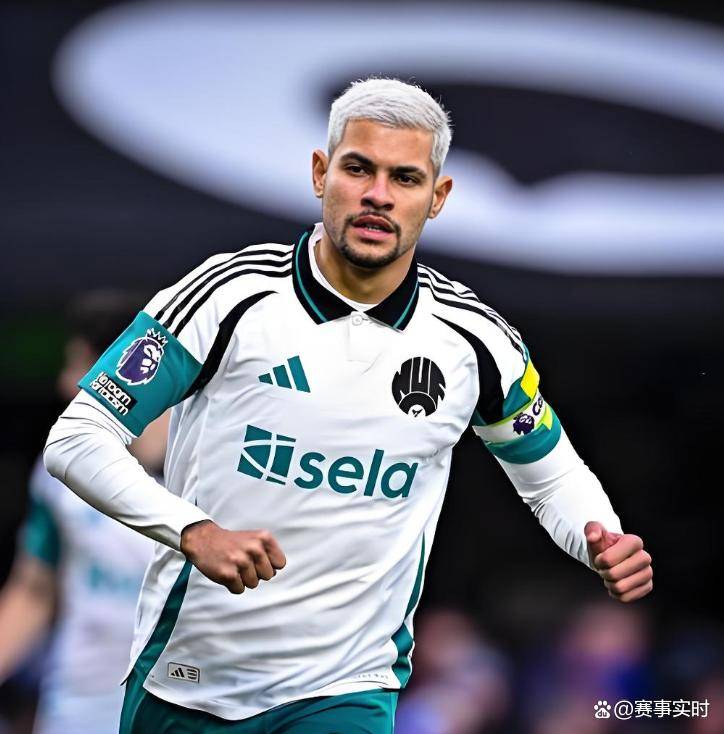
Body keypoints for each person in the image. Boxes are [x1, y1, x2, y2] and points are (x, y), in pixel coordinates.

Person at [43, 78, 653, 733]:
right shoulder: (227, 297)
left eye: (405, 178)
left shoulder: (475, 341)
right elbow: (76, 437)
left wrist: (600, 536)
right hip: (190, 682)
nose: (378, 195)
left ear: (438, 196)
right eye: (358, 169)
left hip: (347, 689)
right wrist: (194, 531)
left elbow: (551, 475)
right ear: (320, 173)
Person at [0, 291, 162, 734]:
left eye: (76, 367)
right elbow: (34, 591)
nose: (63, 384)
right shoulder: (59, 473)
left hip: (185, 710)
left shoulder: (215, 469)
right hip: (78, 709)